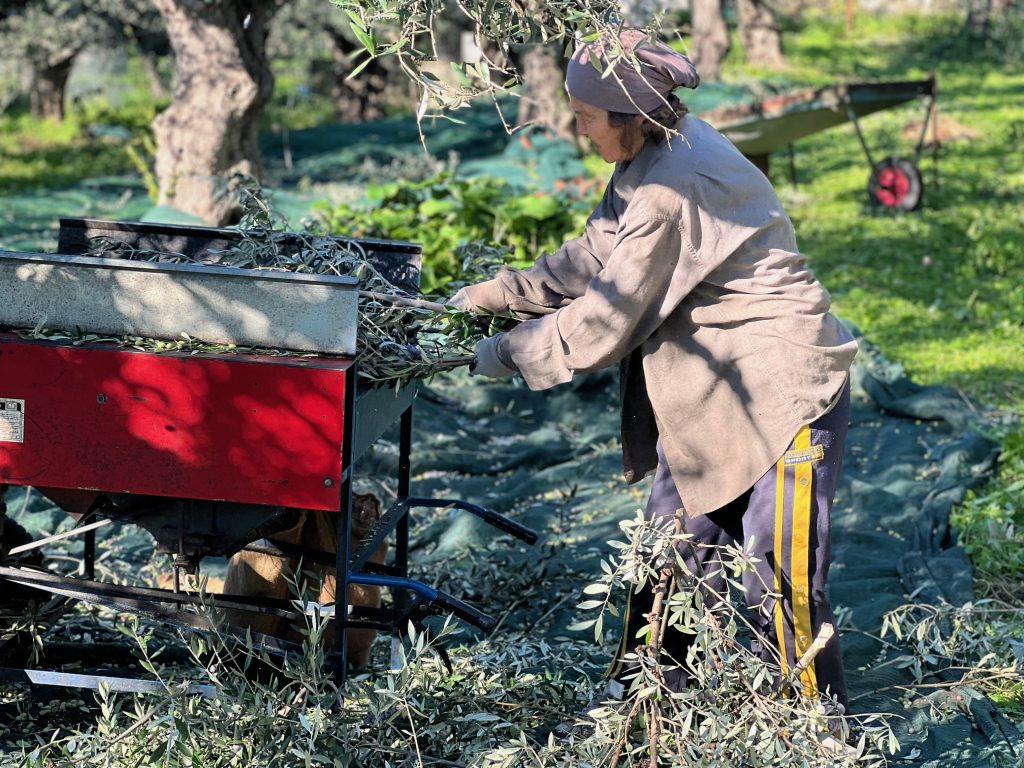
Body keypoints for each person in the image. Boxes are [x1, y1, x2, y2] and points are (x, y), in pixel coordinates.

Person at [450, 29, 857, 712]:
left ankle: (808, 736)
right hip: (713, 391)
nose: (577, 131)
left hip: (782, 395)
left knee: (776, 583)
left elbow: (607, 319)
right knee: (668, 555)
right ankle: (649, 706)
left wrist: (504, 352)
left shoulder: (672, 186)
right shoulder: (651, 153)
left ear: (631, 119)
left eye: (585, 118)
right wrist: (503, 292)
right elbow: (594, 257)